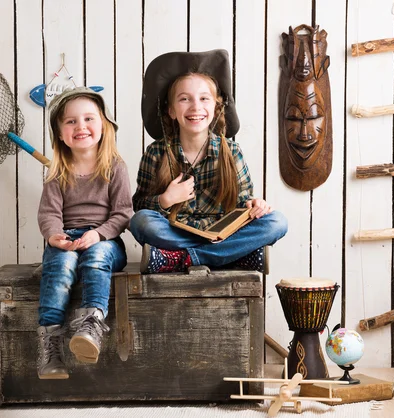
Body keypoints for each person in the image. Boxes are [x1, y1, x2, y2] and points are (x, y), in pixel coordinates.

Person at [130, 50, 287, 274]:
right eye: (185, 99)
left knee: (277, 222)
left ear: (215, 107)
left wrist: (255, 206)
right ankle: (233, 255)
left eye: (204, 98)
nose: (196, 107)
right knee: (142, 222)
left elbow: (243, 204)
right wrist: (165, 200)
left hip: (223, 232)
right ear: (171, 110)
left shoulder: (231, 151)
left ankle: (182, 259)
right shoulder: (156, 152)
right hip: (175, 231)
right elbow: (139, 208)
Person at [36, 87, 133, 379]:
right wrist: (55, 236)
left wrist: (99, 234)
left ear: (103, 126)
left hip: (106, 241)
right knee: (61, 267)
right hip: (68, 239)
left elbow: (123, 213)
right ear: (61, 134)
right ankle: (50, 344)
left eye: (89, 118)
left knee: (96, 257)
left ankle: (91, 326)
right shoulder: (57, 171)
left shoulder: (114, 167)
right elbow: (49, 214)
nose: (81, 126)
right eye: (71, 122)